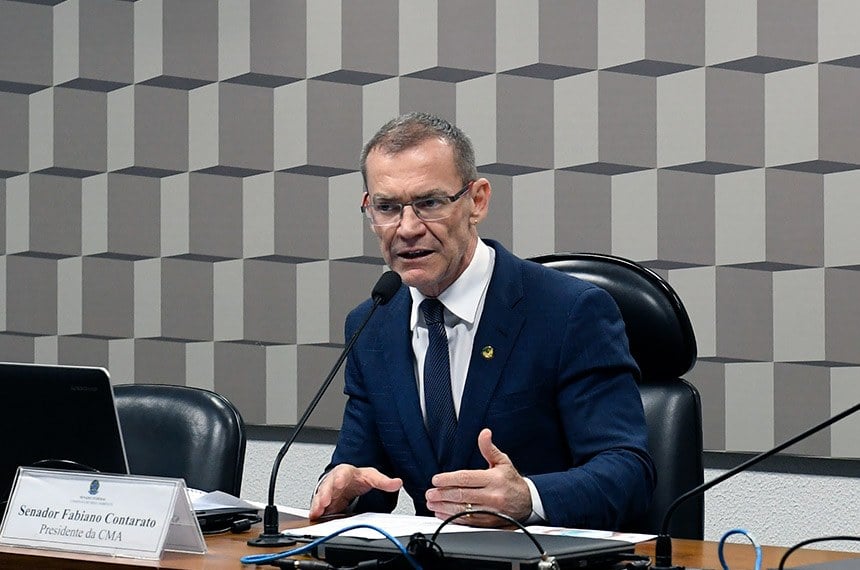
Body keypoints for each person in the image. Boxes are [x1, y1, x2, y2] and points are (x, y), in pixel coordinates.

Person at [308, 112, 655, 530]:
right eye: (387, 207)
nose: (407, 228)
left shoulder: (569, 311)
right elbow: (365, 471)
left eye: (429, 203)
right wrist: (341, 488)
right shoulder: (372, 325)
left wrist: (527, 498)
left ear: (477, 201)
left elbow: (629, 473)